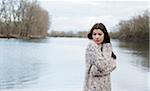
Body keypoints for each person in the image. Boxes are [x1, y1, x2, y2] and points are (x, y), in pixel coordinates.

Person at [83, 23, 117, 91]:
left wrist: (95, 70)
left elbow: (114, 64)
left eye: (100, 34)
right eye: (94, 34)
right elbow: (101, 66)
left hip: (106, 86)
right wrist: (94, 70)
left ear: (104, 35)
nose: (97, 37)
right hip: (92, 86)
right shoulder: (91, 47)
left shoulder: (107, 47)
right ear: (91, 35)